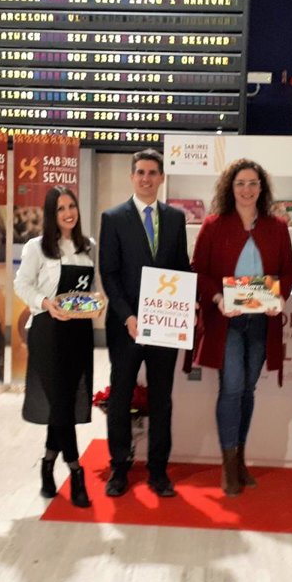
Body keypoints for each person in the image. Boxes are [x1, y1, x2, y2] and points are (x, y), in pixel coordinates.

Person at [191, 159, 292, 496]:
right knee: (232, 387)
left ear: (261, 188)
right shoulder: (213, 225)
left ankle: (239, 460)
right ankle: (228, 465)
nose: (247, 189)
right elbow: (199, 271)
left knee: (248, 390)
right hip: (227, 322)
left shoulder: (277, 227)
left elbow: (289, 272)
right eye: (240, 183)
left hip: (262, 321)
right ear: (230, 188)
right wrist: (218, 298)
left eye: (253, 183)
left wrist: (280, 297)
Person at [98, 149, 190, 497]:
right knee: (121, 396)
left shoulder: (176, 219)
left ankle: (158, 471)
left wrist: (189, 303)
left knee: (162, 398)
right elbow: (109, 273)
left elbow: (181, 268)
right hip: (127, 325)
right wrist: (128, 316)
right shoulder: (113, 218)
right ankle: (119, 468)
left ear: (161, 177)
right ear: (132, 176)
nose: (146, 178)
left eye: (152, 172)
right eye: (140, 172)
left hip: (165, 324)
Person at [14, 186, 98, 508]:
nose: (68, 213)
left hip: (79, 333)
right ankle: (76, 470)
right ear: (52, 214)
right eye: (60, 208)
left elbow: (90, 287)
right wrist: (45, 302)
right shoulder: (37, 247)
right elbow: (21, 284)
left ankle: (48, 464)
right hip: (48, 333)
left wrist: (95, 303)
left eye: (71, 206)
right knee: (61, 403)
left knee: (64, 402)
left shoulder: (88, 246)